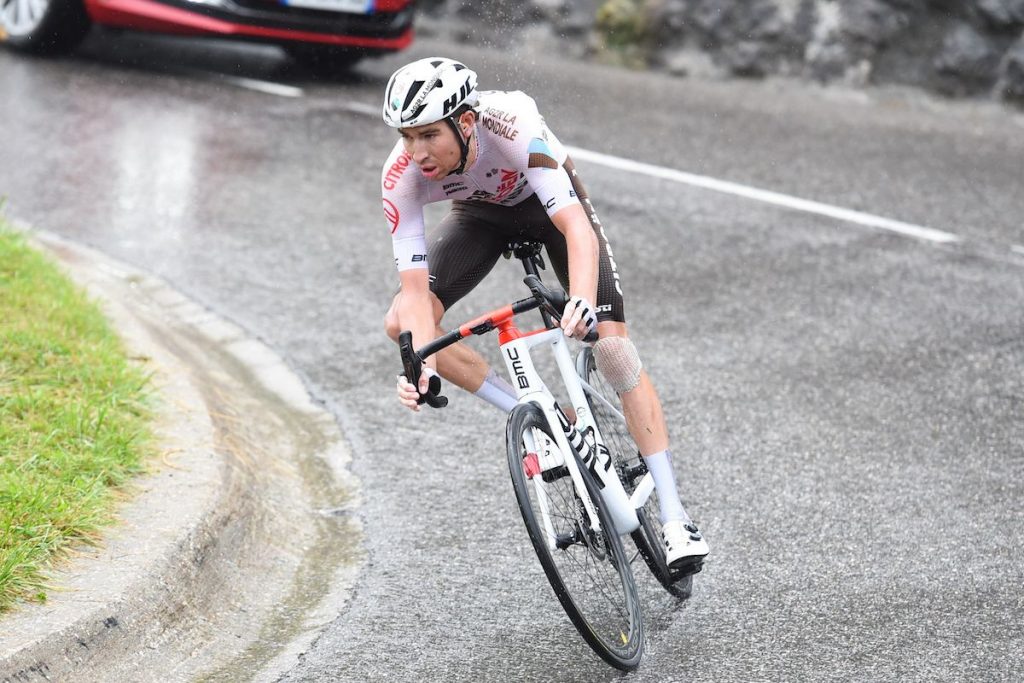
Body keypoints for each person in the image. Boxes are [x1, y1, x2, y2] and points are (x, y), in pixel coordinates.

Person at [380, 57, 708, 568]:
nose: (416, 152)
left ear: (465, 123)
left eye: (427, 135)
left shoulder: (512, 126)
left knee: (615, 352)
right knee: (401, 322)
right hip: (478, 217)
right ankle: (535, 419)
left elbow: (576, 229)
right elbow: (416, 291)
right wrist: (421, 361)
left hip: (547, 207)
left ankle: (674, 516)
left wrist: (578, 300)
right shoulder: (401, 175)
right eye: (406, 136)